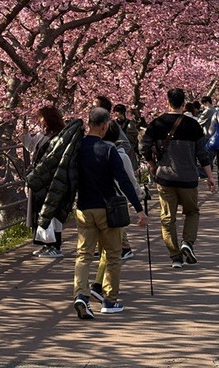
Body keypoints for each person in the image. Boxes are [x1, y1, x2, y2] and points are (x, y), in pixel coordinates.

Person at [72, 107, 148, 319]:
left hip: (84, 209)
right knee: (113, 255)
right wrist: (139, 209)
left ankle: (81, 295)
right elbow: (123, 181)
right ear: (105, 126)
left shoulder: (77, 147)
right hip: (107, 208)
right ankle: (110, 300)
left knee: (83, 255)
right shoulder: (108, 149)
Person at [141, 88, 217, 269]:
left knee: (168, 219)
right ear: (184, 104)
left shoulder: (156, 123)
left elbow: (144, 148)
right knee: (192, 212)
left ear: (167, 102)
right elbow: (202, 154)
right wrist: (210, 176)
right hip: (188, 178)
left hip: (165, 179)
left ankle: (175, 257)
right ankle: (187, 243)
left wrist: (153, 165)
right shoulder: (192, 125)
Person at [91, 116, 142, 299]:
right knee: (112, 250)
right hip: (117, 206)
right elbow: (130, 181)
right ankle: (102, 288)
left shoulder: (90, 152)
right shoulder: (121, 156)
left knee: (103, 248)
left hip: (93, 204)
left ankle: (96, 284)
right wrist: (139, 200)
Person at [22, 105, 66, 257]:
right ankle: (45, 244)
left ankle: (54, 245)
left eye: (41, 118)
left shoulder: (59, 136)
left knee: (50, 212)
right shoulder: (42, 135)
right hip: (39, 179)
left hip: (51, 180)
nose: (39, 121)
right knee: (40, 212)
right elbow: (30, 147)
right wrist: (25, 134)